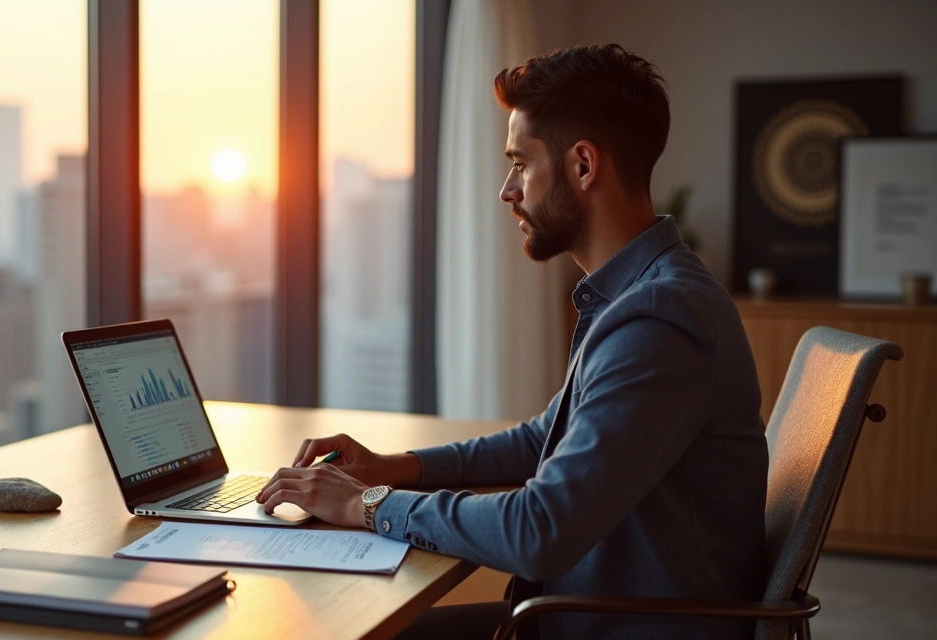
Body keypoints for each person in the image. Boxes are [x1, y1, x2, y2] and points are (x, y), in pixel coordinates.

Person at [256, 43, 767, 640]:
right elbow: (543, 437)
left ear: (583, 166)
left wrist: (363, 504)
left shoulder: (659, 319)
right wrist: (393, 468)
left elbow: (539, 530)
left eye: (521, 164)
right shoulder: (637, 294)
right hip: (588, 614)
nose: (507, 189)